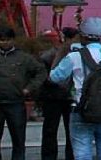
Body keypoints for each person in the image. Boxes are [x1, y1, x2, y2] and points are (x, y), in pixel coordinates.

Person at [48, 17, 101, 160]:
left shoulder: (75, 57)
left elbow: (54, 77)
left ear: (81, 35)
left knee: (82, 150)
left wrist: (62, 51)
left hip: (82, 109)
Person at [0, 26, 45, 160]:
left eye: (7, 40)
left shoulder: (24, 58)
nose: (4, 43)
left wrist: (29, 88)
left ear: (13, 40)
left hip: (15, 103)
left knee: (18, 140)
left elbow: (41, 72)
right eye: (1, 40)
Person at [36, 28, 78, 160]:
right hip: (54, 97)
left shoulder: (76, 54)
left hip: (63, 97)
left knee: (68, 131)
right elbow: (44, 76)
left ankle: (68, 156)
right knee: (51, 130)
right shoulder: (50, 55)